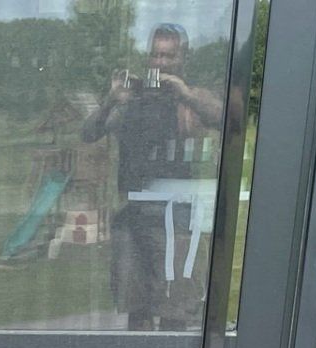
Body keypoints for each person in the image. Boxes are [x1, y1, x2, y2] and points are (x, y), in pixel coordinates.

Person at [80, 24, 224, 329]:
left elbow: (225, 118)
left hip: (177, 217)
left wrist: (184, 93)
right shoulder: (132, 98)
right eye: (155, 55)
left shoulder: (190, 97)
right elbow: (88, 133)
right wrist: (111, 99)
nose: (160, 63)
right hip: (133, 215)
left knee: (175, 310)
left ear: (183, 58)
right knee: (136, 308)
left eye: (168, 56)